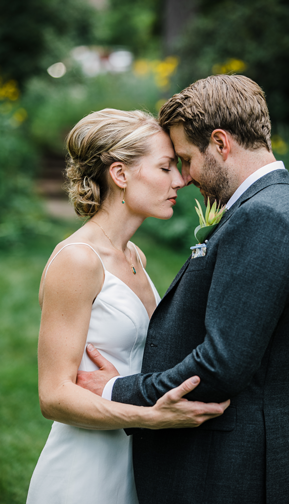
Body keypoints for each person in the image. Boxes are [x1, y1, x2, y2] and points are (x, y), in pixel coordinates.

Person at [77, 75, 289, 504]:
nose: (185, 177)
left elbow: (220, 364)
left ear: (221, 143)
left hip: (225, 470)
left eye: (187, 159)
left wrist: (118, 391)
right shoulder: (283, 203)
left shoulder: (263, 216)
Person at [26, 108, 229, 504]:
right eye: (166, 167)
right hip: (85, 473)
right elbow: (53, 396)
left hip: (135, 462)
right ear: (120, 175)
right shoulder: (78, 260)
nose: (181, 179)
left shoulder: (134, 255)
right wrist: (152, 418)